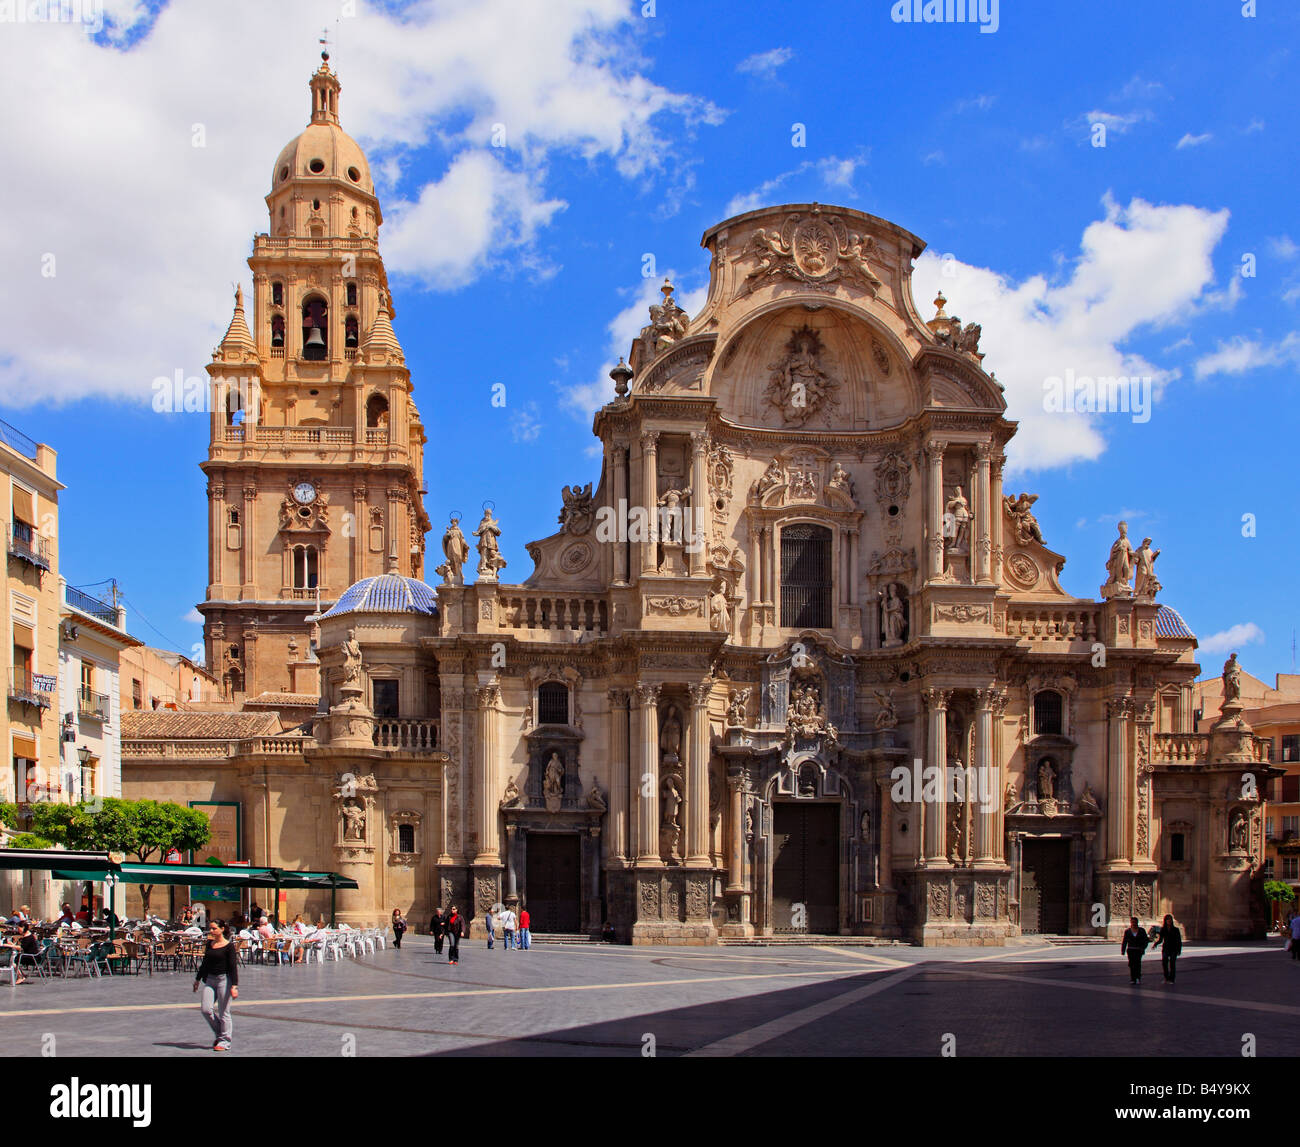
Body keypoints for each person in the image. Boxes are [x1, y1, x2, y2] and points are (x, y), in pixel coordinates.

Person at [193, 919, 239, 1052]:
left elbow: (232, 967)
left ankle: (225, 1041)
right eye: (210, 928)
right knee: (206, 1009)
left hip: (224, 980)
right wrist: (197, 980)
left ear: (222, 929)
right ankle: (221, 1034)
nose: (211, 931)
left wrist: (234, 985)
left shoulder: (228, 946)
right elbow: (205, 963)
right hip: (210, 980)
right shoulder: (210, 944)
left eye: (214, 928)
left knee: (224, 1012)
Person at [1152, 914, 1182, 984]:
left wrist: (1179, 950)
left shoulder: (1176, 930)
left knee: (1172, 964)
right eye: (1167, 919)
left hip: (1173, 948)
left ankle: (1172, 979)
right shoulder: (1163, 929)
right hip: (1166, 948)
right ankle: (1166, 977)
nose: (1169, 921)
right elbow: (1160, 939)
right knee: (1164, 963)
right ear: (1165, 921)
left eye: (1170, 919)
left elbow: (1178, 940)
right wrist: (1155, 944)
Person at [1121, 917, 1149, 984]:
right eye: (1132, 922)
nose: (1134, 923)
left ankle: (1138, 977)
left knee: (1137, 964)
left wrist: (1143, 947)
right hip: (1131, 950)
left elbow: (1145, 940)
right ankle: (1133, 978)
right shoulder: (1127, 931)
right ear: (1131, 923)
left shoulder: (1141, 930)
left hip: (1138, 950)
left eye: (1135, 922)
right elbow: (1125, 941)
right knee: (1131, 964)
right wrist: (1123, 950)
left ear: (1137, 922)